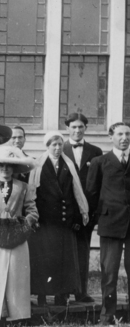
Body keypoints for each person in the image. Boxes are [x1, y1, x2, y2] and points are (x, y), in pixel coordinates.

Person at [0, 145, 38, 322]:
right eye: (1, 166)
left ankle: (17, 315)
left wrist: (24, 225)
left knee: (16, 276)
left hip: (17, 236)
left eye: (9, 166)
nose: (5, 169)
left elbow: (32, 211)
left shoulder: (24, 187)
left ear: (14, 169)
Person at [28, 132, 89, 307]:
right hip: (45, 222)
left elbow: (74, 193)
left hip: (65, 222)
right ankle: (41, 295)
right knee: (44, 260)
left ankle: (62, 295)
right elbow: (33, 195)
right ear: (47, 146)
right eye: (53, 145)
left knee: (64, 261)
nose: (57, 148)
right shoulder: (38, 165)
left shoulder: (68, 165)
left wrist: (75, 217)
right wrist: (36, 219)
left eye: (60, 144)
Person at [86, 121, 130, 325]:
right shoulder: (99, 162)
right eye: (120, 134)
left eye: (128, 134)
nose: (124, 138)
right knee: (109, 273)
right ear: (110, 136)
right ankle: (107, 316)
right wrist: (95, 220)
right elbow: (92, 194)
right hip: (110, 223)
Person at [63, 113, 102, 303]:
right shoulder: (59, 148)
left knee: (83, 251)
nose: (77, 130)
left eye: (80, 127)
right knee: (62, 250)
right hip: (65, 210)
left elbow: (98, 183)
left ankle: (82, 292)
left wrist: (92, 212)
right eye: (73, 127)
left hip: (86, 211)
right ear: (67, 129)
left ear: (85, 128)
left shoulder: (95, 151)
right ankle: (61, 292)